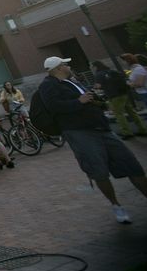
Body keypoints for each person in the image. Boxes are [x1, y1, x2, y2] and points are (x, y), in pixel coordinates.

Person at [40, 56, 147, 224]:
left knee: (131, 163)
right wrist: (78, 101)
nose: (69, 66)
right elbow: (53, 107)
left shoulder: (73, 81)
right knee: (98, 170)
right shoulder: (48, 85)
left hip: (101, 128)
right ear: (58, 68)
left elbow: (87, 99)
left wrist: (99, 102)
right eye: (65, 64)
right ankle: (116, 205)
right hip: (79, 132)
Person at [93, 60, 146, 139]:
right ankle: (143, 129)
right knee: (131, 112)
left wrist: (95, 87)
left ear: (95, 66)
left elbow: (98, 86)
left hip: (113, 95)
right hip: (123, 93)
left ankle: (127, 132)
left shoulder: (99, 74)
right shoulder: (112, 71)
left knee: (119, 114)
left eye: (92, 67)